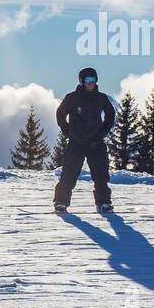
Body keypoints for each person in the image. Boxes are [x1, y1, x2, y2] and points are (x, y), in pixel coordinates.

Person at [54, 67, 115, 213]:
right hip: (76, 143)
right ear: (81, 81)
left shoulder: (101, 98)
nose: (91, 83)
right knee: (68, 174)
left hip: (96, 143)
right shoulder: (72, 98)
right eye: (88, 80)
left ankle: (104, 202)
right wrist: (68, 132)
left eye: (93, 80)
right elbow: (60, 114)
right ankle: (61, 202)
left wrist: (101, 134)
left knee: (101, 175)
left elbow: (110, 117)